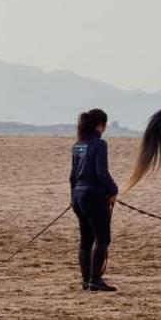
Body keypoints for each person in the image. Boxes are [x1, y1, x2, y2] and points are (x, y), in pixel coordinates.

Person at [69, 107, 118, 292]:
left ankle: (86, 280)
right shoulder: (99, 144)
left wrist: (73, 197)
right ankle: (95, 280)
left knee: (86, 239)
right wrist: (113, 190)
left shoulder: (78, 145)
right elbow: (101, 173)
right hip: (94, 196)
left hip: (78, 196)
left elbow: (72, 176)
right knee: (103, 237)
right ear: (100, 125)